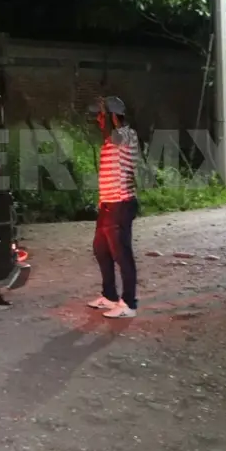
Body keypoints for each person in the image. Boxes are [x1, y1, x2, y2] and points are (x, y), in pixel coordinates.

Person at [85, 96, 141, 319]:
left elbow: (117, 132)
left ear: (112, 116)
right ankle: (109, 296)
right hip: (108, 204)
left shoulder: (127, 135)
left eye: (101, 115)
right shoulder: (110, 140)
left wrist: (108, 116)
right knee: (101, 250)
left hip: (121, 204)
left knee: (122, 254)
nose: (98, 120)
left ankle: (129, 303)